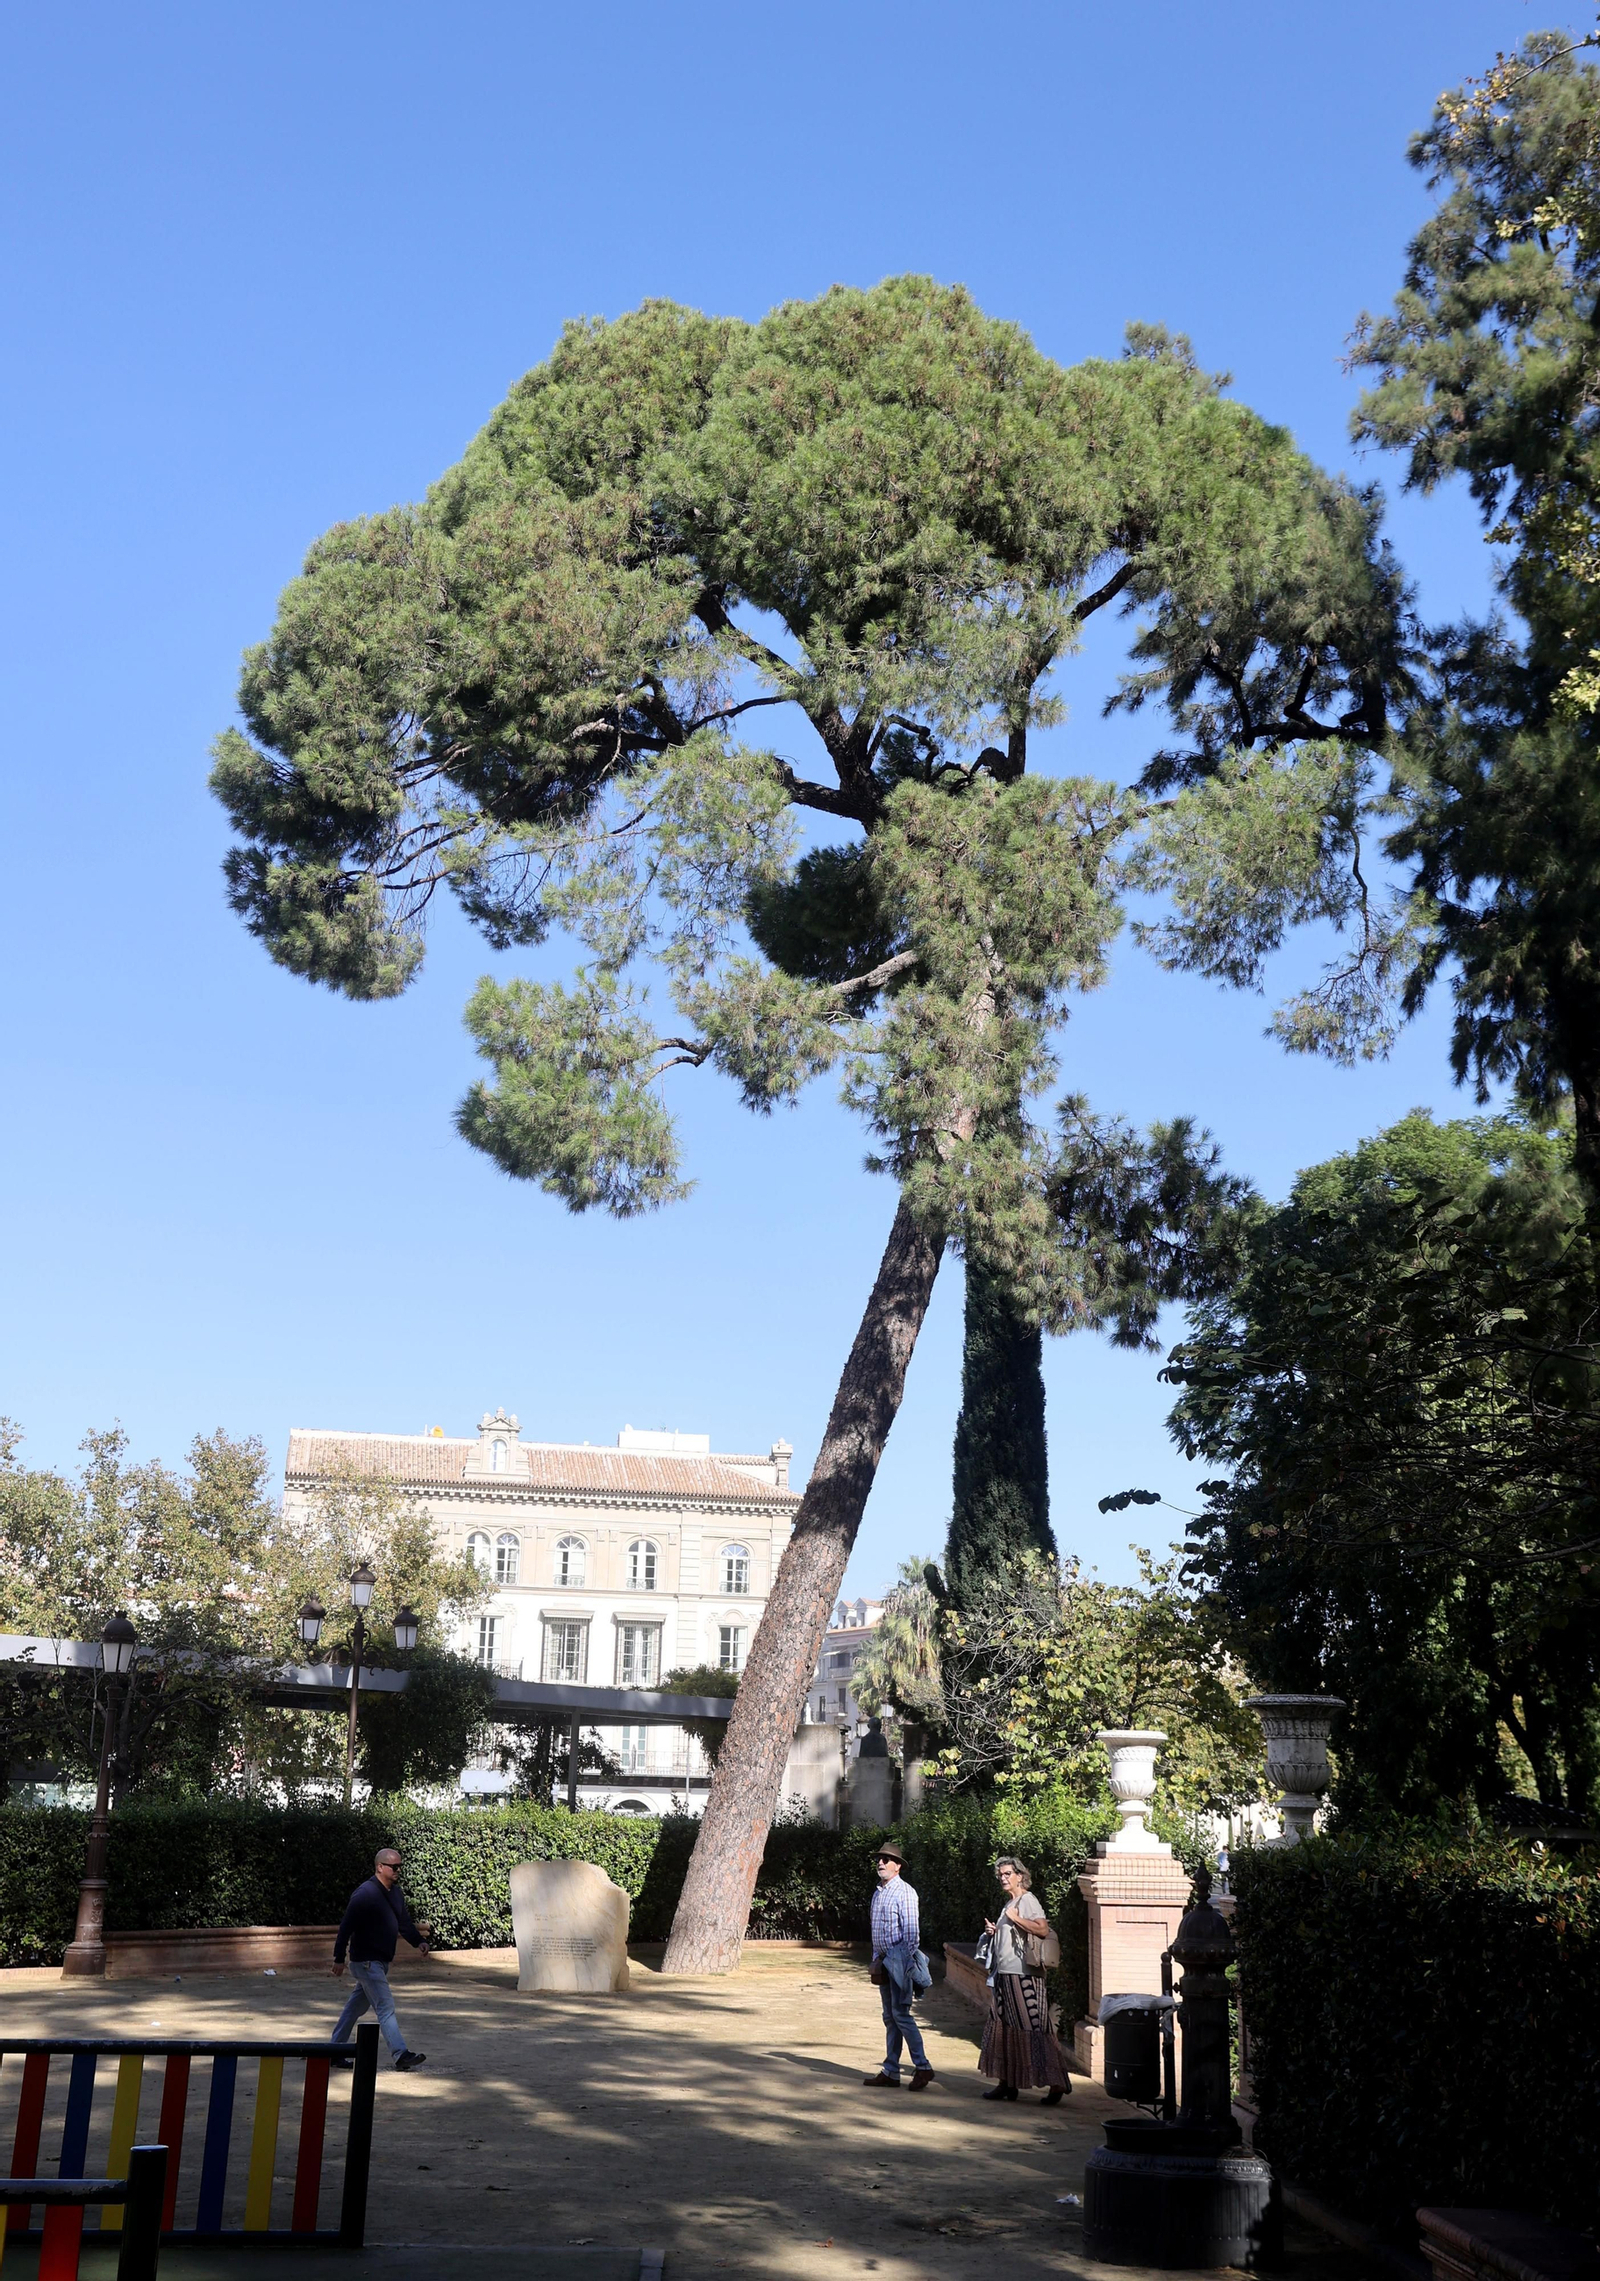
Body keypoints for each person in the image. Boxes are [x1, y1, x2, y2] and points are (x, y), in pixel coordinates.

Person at [979, 1855, 1071, 2105]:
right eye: (1000, 1874)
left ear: (1020, 1876)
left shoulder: (1027, 1900)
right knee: (1004, 2028)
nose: (1003, 1878)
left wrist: (1015, 1919)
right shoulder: (1010, 1903)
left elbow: (1042, 1928)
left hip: (1024, 1976)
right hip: (1005, 1974)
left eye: (1007, 1873)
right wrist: (995, 1932)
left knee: (1033, 2028)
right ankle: (1007, 2083)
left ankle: (1057, 2082)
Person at [331, 1846, 431, 2071]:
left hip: (379, 1962)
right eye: (394, 1867)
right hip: (366, 1962)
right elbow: (346, 1927)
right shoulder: (364, 1894)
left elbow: (404, 1922)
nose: (398, 1870)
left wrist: (418, 1941)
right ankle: (400, 2054)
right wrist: (338, 1957)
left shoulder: (395, 1893)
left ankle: (334, 2051)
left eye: (399, 1866)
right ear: (380, 1867)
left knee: (353, 2009)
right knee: (385, 2006)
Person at [862, 1841, 935, 2092]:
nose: (880, 1863)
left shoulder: (905, 1892)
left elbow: (912, 1935)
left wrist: (900, 1962)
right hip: (884, 1962)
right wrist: (877, 1959)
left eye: (886, 1860)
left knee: (901, 2015)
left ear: (898, 1866)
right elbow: (876, 1930)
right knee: (890, 2017)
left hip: (899, 1962)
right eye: (879, 1859)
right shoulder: (879, 1892)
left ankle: (923, 2067)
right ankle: (891, 2072)